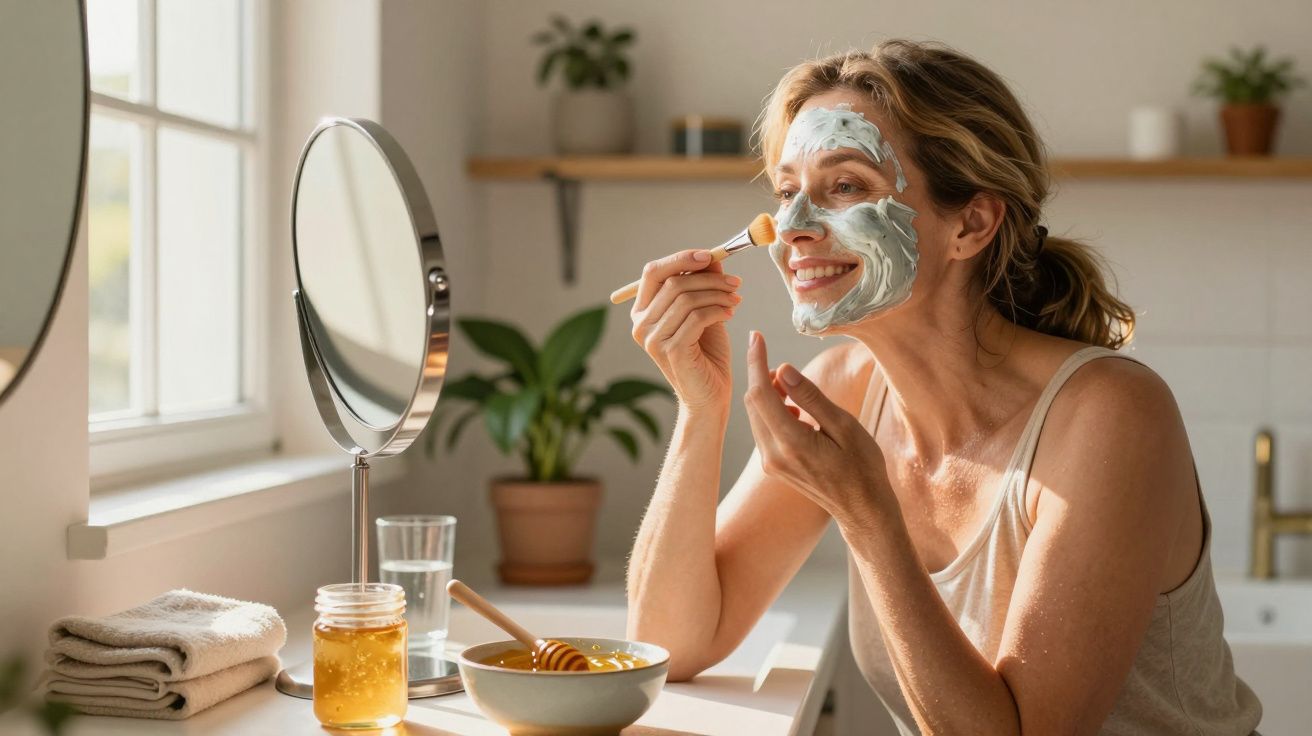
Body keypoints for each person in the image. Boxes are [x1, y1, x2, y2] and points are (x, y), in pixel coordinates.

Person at [624, 40, 1261, 735]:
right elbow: (671, 646)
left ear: (971, 224)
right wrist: (699, 409)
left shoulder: (1108, 415)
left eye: (846, 187)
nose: (794, 231)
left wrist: (871, 520)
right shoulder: (843, 391)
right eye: (786, 193)